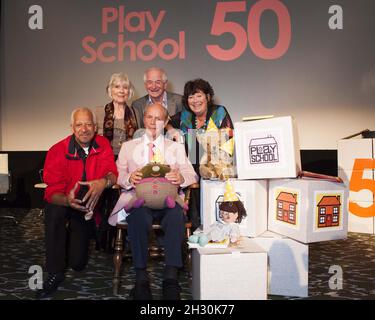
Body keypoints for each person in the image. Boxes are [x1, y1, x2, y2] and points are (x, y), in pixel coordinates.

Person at [116, 103, 198, 300]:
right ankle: (141, 278)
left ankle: (170, 278)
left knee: (177, 217)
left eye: (159, 118)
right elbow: (118, 176)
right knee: (136, 218)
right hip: (140, 201)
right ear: (144, 119)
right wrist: (129, 179)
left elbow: (191, 175)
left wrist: (181, 178)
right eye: (149, 117)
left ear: (166, 122)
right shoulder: (128, 147)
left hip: (168, 201)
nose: (153, 122)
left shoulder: (176, 147)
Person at [37, 107, 118, 299]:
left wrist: (103, 182)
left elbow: (112, 174)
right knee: (53, 212)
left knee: (78, 264)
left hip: (87, 208)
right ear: (72, 127)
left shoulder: (103, 144)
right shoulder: (57, 150)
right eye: (79, 124)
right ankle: (55, 271)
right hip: (65, 202)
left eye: (88, 124)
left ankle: (70, 241)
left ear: (95, 126)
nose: (84, 129)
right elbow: (51, 192)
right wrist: (67, 200)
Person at [169, 78, 234, 229]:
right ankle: (195, 228)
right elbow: (166, 119)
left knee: (197, 141)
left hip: (216, 165)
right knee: (191, 145)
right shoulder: (186, 116)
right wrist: (171, 129)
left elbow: (228, 139)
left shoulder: (219, 112)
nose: (195, 100)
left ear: (207, 97)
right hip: (192, 167)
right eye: (191, 97)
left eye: (199, 95)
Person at [98, 73, 139, 156]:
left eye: (125, 87)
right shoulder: (99, 111)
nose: (121, 91)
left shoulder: (135, 112)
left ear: (129, 91)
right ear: (110, 90)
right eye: (117, 87)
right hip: (105, 159)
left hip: (129, 159)